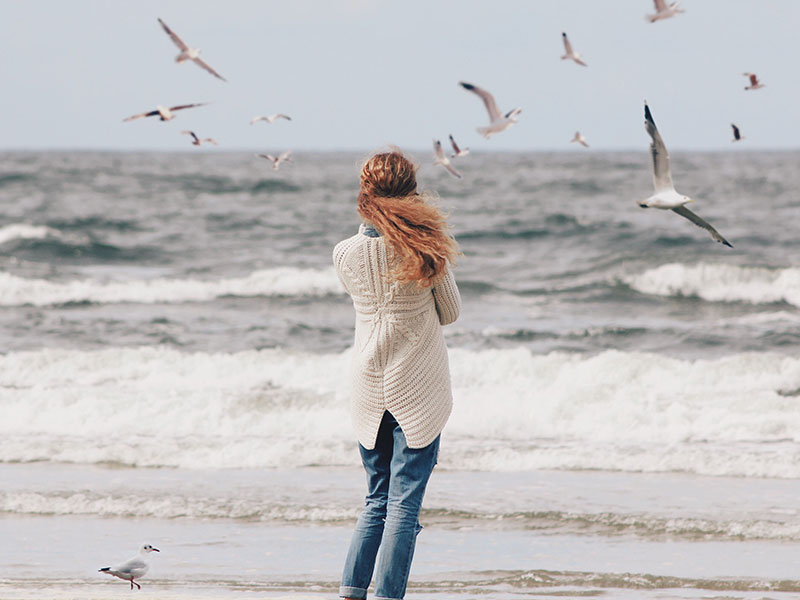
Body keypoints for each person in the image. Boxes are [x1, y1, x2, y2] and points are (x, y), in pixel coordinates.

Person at [333, 150, 461, 600]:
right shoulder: (425, 245)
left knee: (375, 502)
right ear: (412, 190)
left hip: (369, 389)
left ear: (365, 190)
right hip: (417, 390)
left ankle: (352, 592)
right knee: (403, 507)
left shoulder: (345, 252)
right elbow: (450, 312)